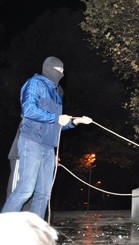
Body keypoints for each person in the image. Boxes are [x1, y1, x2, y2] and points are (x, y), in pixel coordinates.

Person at [1, 56, 92, 219]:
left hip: (49, 147)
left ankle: (36, 231)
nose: (62, 74)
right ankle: (4, 227)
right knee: (25, 190)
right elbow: (28, 110)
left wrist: (76, 121)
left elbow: (57, 124)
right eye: (60, 71)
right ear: (50, 68)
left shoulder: (58, 92)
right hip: (32, 142)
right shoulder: (35, 83)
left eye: (63, 71)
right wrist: (56, 118)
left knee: (43, 194)